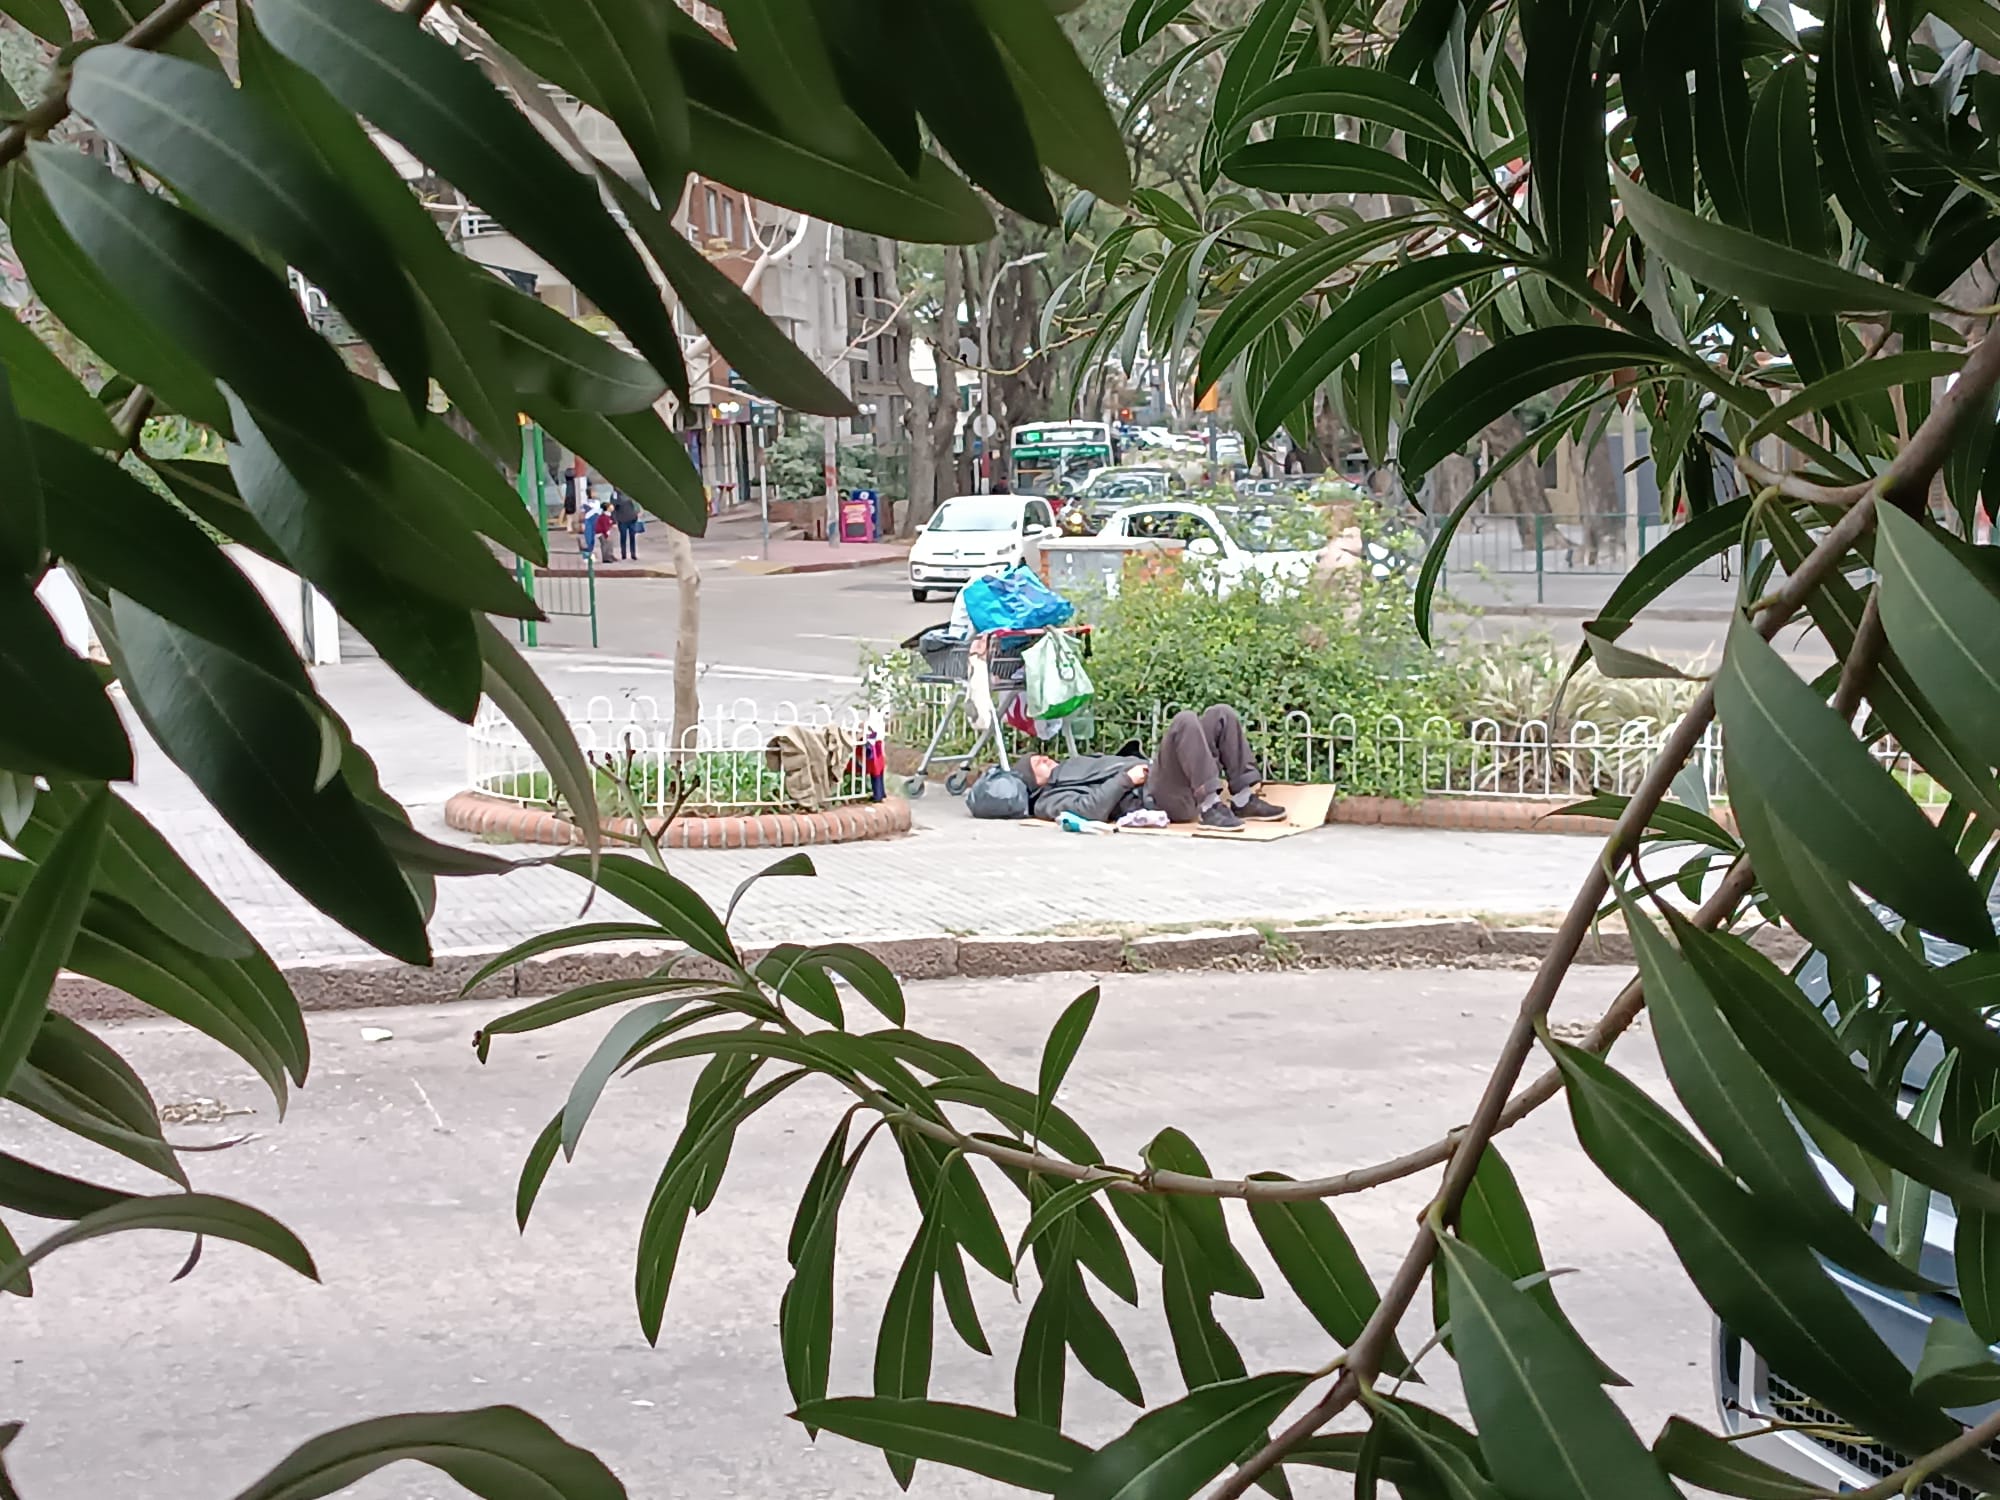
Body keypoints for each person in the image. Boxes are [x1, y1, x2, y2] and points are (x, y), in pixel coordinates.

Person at [1014, 705, 1284, 830]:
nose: (1046, 759)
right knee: (1184, 721)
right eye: (1038, 763)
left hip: (1157, 778)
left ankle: (1243, 798)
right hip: (1152, 799)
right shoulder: (1048, 800)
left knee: (1220, 715)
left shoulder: (1073, 765)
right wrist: (1125, 780)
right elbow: (1087, 811)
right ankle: (1210, 806)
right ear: (1034, 781)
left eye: (1043, 756)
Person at [611, 489, 641, 560]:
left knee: (632, 537)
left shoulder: (629, 492)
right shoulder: (615, 495)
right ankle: (623, 554)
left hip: (632, 518)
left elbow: (635, 503)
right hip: (622, 520)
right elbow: (613, 508)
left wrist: (637, 512)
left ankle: (633, 554)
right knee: (623, 537)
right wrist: (614, 520)